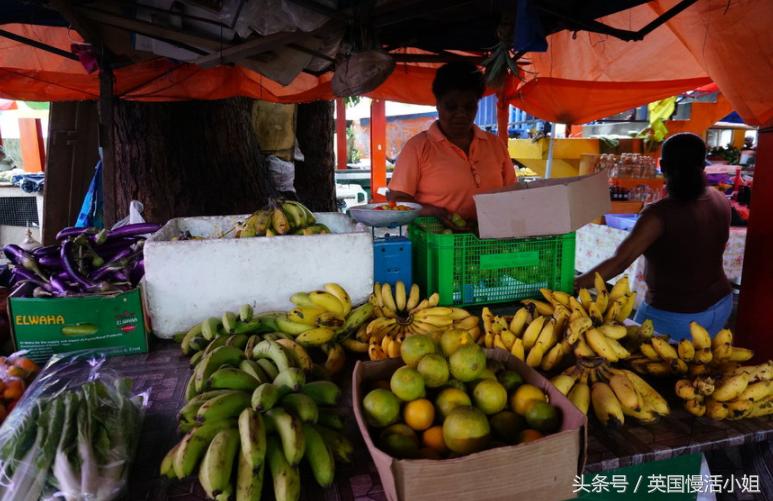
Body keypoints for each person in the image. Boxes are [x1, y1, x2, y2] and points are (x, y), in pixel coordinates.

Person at [575, 133, 732, 340]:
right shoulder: (720, 199)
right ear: (703, 165)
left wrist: (574, 284)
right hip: (721, 304)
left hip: (676, 315)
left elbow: (620, 262)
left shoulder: (659, 215)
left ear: (663, 166)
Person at [387, 62, 516, 220]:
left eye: (469, 107)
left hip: (490, 240)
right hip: (435, 239)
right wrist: (433, 212)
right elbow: (397, 198)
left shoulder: (495, 145)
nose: (461, 114)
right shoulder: (417, 147)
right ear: (438, 105)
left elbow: (513, 193)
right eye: (451, 107)